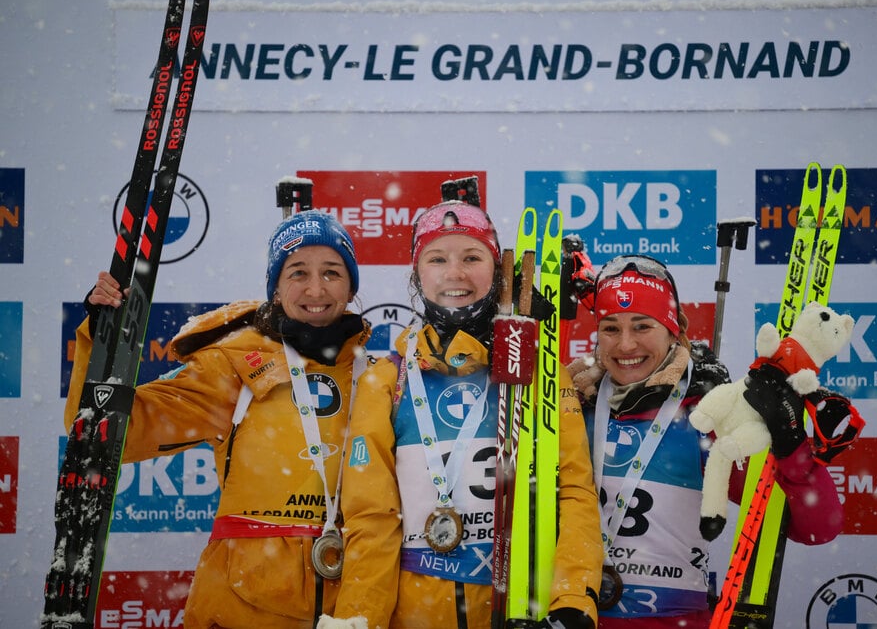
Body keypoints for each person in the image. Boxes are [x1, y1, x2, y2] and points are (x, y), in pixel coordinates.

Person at [64, 210, 370, 628]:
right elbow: (107, 432)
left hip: (351, 609)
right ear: (276, 287)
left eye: (332, 272)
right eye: (298, 272)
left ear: (351, 286)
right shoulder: (234, 368)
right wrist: (103, 340)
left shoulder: (378, 377)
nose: (315, 288)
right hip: (242, 608)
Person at [323, 201, 603, 629]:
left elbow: (574, 494)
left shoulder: (540, 373)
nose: (455, 273)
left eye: (472, 257)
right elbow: (371, 520)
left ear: (498, 270)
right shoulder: (387, 381)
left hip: (520, 610)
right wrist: (359, 618)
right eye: (437, 259)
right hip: (415, 615)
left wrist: (572, 603)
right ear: (417, 274)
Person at [566, 254, 844, 628]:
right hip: (571, 618)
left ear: (673, 330)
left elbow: (816, 527)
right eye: (610, 328)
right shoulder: (570, 408)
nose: (625, 344)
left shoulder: (706, 416)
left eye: (643, 326)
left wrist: (790, 443)